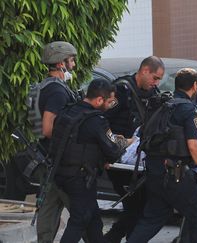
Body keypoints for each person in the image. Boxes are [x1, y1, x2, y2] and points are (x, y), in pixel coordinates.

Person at [127, 68, 197, 243]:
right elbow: (194, 146)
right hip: (176, 175)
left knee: (153, 218)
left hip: (153, 172)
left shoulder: (160, 104)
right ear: (195, 85)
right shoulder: (188, 109)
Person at [51, 78, 132, 243]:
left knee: (94, 220)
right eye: (109, 101)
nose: (111, 105)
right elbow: (113, 151)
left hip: (60, 173)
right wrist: (125, 141)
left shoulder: (68, 111)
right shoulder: (96, 120)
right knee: (80, 219)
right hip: (80, 178)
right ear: (100, 100)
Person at [103, 56, 165, 243]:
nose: (156, 83)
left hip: (139, 159)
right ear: (144, 71)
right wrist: (113, 145)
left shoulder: (153, 93)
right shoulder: (121, 90)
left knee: (140, 208)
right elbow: (101, 121)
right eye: (155, 78)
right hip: (120, 160)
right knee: (135, 207)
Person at [35, 41, 80, 243]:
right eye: (71, 60)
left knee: (49, 207)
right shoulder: (56, 91)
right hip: (58, 160)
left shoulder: (48, 87)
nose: (74, 65)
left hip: (49, 157)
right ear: (61, 63)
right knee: (83, 211)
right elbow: (47, 128)